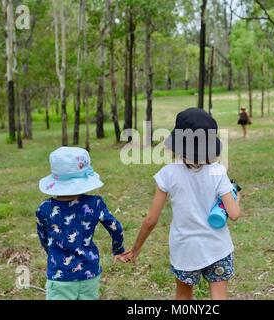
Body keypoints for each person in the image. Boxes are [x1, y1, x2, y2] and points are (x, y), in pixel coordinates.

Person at [121, 108, 241, 300]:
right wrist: (236, 198)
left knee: (183, 298)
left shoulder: (168, 173)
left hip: (185, 251)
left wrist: (136, 250)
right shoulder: (218, 171)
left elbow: (151, 220)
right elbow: (234, 214)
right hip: (218, 249)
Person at [36, 147, 125, 300]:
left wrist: (53, 255)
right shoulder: (95, 203)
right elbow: (116, 227)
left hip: (59, 277)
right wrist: (118, 249)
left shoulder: (44, 209)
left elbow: (44, 239)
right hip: (89, 272)